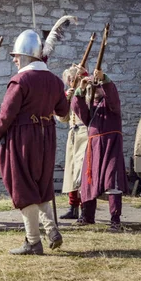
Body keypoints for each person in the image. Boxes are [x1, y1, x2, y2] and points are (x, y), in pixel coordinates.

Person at [0, 30, 69, 255]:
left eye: (16, 55)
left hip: (23, 139)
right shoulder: (55, 81)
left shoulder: (20, 80)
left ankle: (34, 242)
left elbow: (6, 114)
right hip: (47, 137)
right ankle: (50, 227)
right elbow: (63, 110)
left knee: (23, 185)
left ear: (26, 56)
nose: (14, 59)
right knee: (41, 185)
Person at [71, 68, 128, 232]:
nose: (96, 89)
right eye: (93, 87)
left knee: (112, 180)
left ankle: (115, 219)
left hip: (111, 146)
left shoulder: (112, 105)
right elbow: (77, 107)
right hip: (94, 148)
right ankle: (88, 216)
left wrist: (104, 79)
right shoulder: (90, 108)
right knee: (88, 181)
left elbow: (112, 96)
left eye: (98, 86)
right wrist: (81, 89)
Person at [58, 66, 89, 220]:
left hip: (85, 132)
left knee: (81, 172)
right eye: (68, 80)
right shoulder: (70, 93)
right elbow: (62, 118)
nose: (70, 82)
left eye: (71, 79)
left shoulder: (88, 90)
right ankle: (73, 207)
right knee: (70, 171)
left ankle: (85, 209)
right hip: (73, 133)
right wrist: (65, 100)